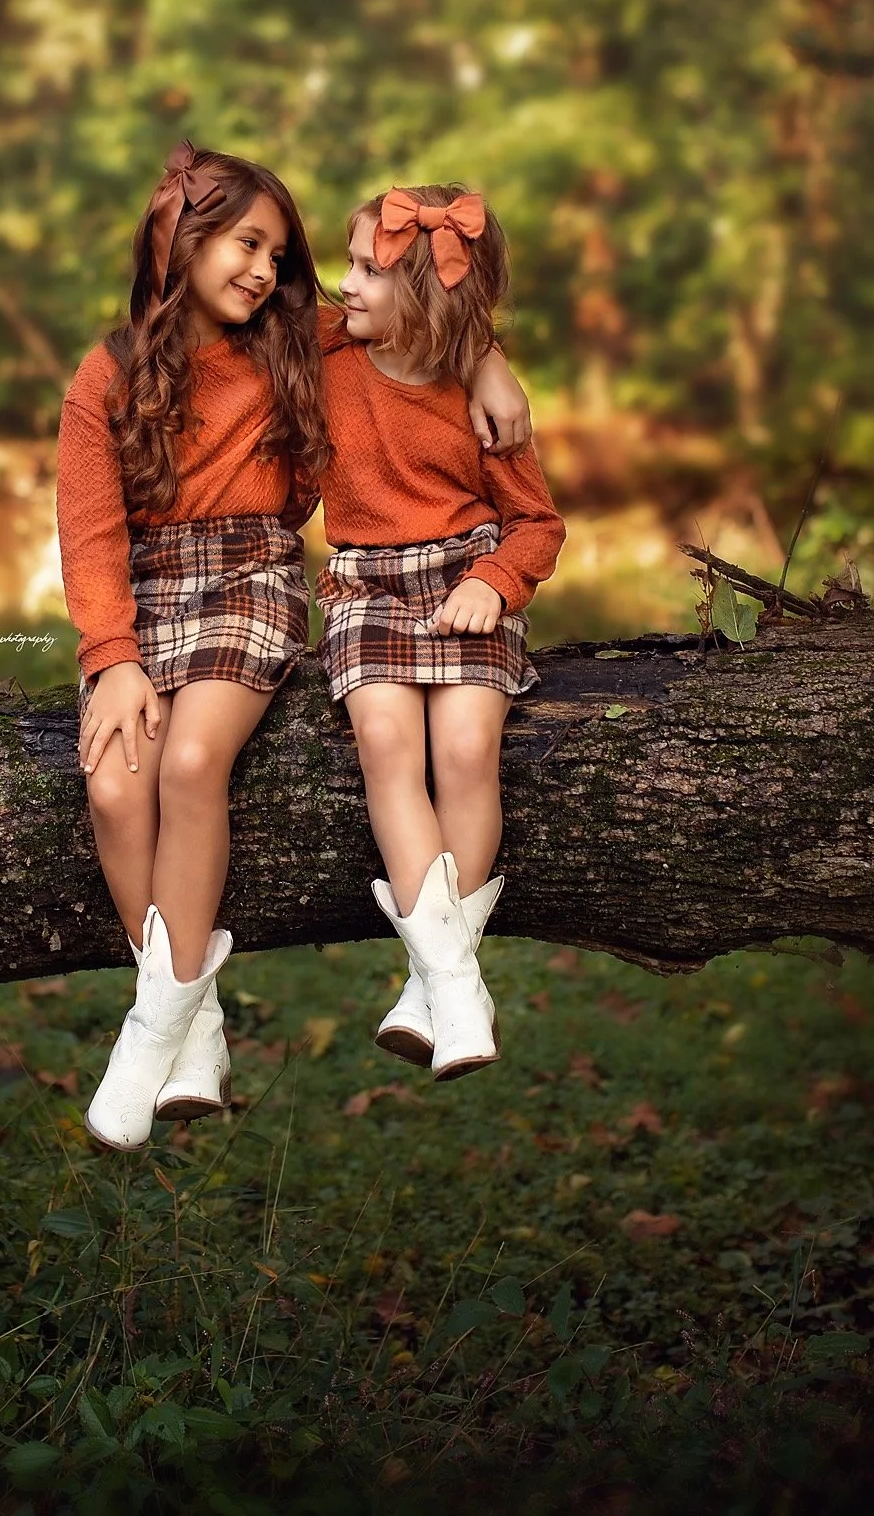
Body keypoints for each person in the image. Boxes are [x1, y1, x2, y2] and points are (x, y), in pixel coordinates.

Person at [57, 146, 532, 1149]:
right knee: (111, 783)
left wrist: (487, 355)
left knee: (189, 761)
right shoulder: (102, 376)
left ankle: (151, 1028)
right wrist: (112, 655)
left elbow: (414, 320)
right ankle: (196, 1013)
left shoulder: (290, 341)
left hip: (250, 575)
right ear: (178, 241)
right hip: (141, 593)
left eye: (279, 251)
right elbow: (90, 536)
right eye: (246, 243)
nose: (267, 269)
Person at [317, 185, 566, 1081]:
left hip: (465, 579)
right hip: (365, 586)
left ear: (426, 296)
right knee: (387, 741)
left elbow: (536, 523)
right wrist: (490, 346)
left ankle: (432, 985)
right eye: (345, 262)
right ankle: (457, 984)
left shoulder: (482, 403)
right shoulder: (325, 352)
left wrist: (495, 584)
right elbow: (245, 316)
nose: (341, 284)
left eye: (366, 270)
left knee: (464, 750)